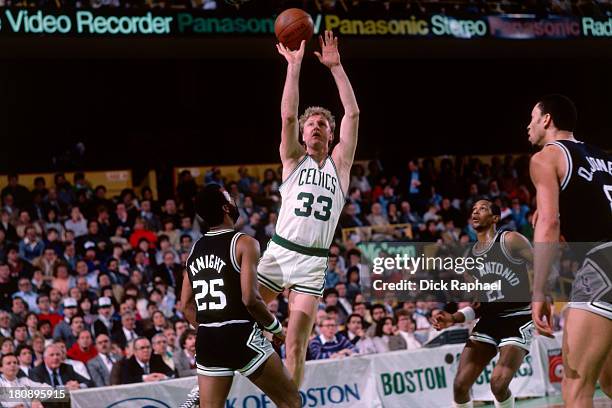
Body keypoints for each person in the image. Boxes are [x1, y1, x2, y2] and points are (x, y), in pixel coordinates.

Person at [256, 30, 359, 387]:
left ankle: (290, 401)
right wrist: (294, 67)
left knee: (296, 344)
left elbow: (354, 113)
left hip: (313, 262)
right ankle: (206, 381)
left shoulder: (340, 167)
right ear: (303, 134)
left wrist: (336, 67)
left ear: (331, 135)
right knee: (238, 316)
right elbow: (287, 116)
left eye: (323, 125)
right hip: (280, 253)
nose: (316, 126)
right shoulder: (292, 160)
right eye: (311, 124)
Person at [178, 184, 300, 408]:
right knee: (291, 401)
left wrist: (212, 328)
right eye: (230, 197)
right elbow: (250, 299)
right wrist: (276, 328)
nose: (234, 199)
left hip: (207, 339)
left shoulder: (194, 250)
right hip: (240, 335)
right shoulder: (245, 242)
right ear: (226, 207)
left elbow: (185, 305)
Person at [528, 94, 612, 406]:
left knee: (575, 389)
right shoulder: (603, 157)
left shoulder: (546, 158)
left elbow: (549, 223)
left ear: (546, 120)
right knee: (610, 379)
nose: (528, 126)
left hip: (603, 266)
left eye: (532, 118)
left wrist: (540, 291)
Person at [433, 199, 534, 408]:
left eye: (483, 208)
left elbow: (543, 266)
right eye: (473, 209)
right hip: (489, 321)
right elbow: (480, 305)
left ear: (495, 218)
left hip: (517, 318)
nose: (476, 212)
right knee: (460, 386)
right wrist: (453, 318)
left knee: (498, 385)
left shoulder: (510, 240)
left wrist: (542, 295)